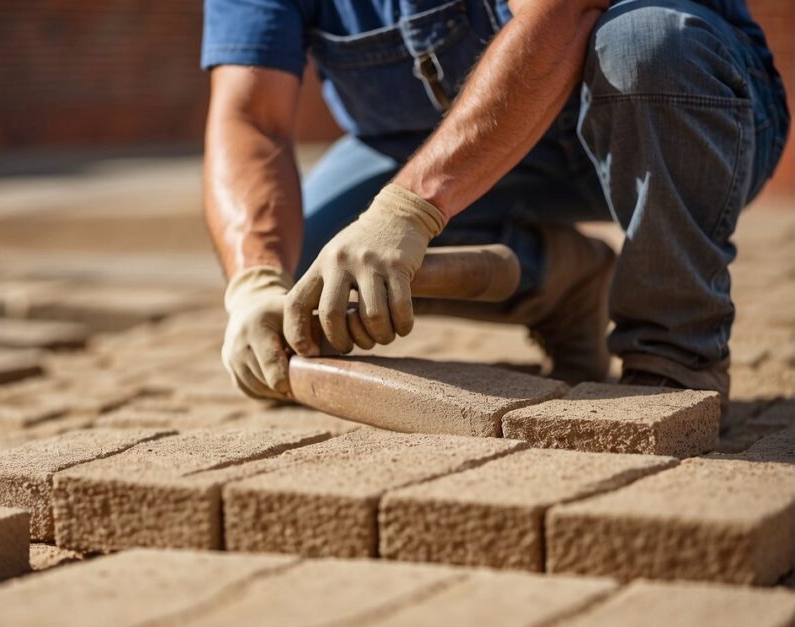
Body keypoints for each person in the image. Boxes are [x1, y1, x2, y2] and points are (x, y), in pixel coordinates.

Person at [202, 0, 788, 404]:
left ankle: (672, 360)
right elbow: (250, 117)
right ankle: (562, 281)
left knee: (646, 44)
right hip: (465, 159)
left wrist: (407, 210)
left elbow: (563, 14)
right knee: (305, 280)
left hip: (678, 113)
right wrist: (253, 281)